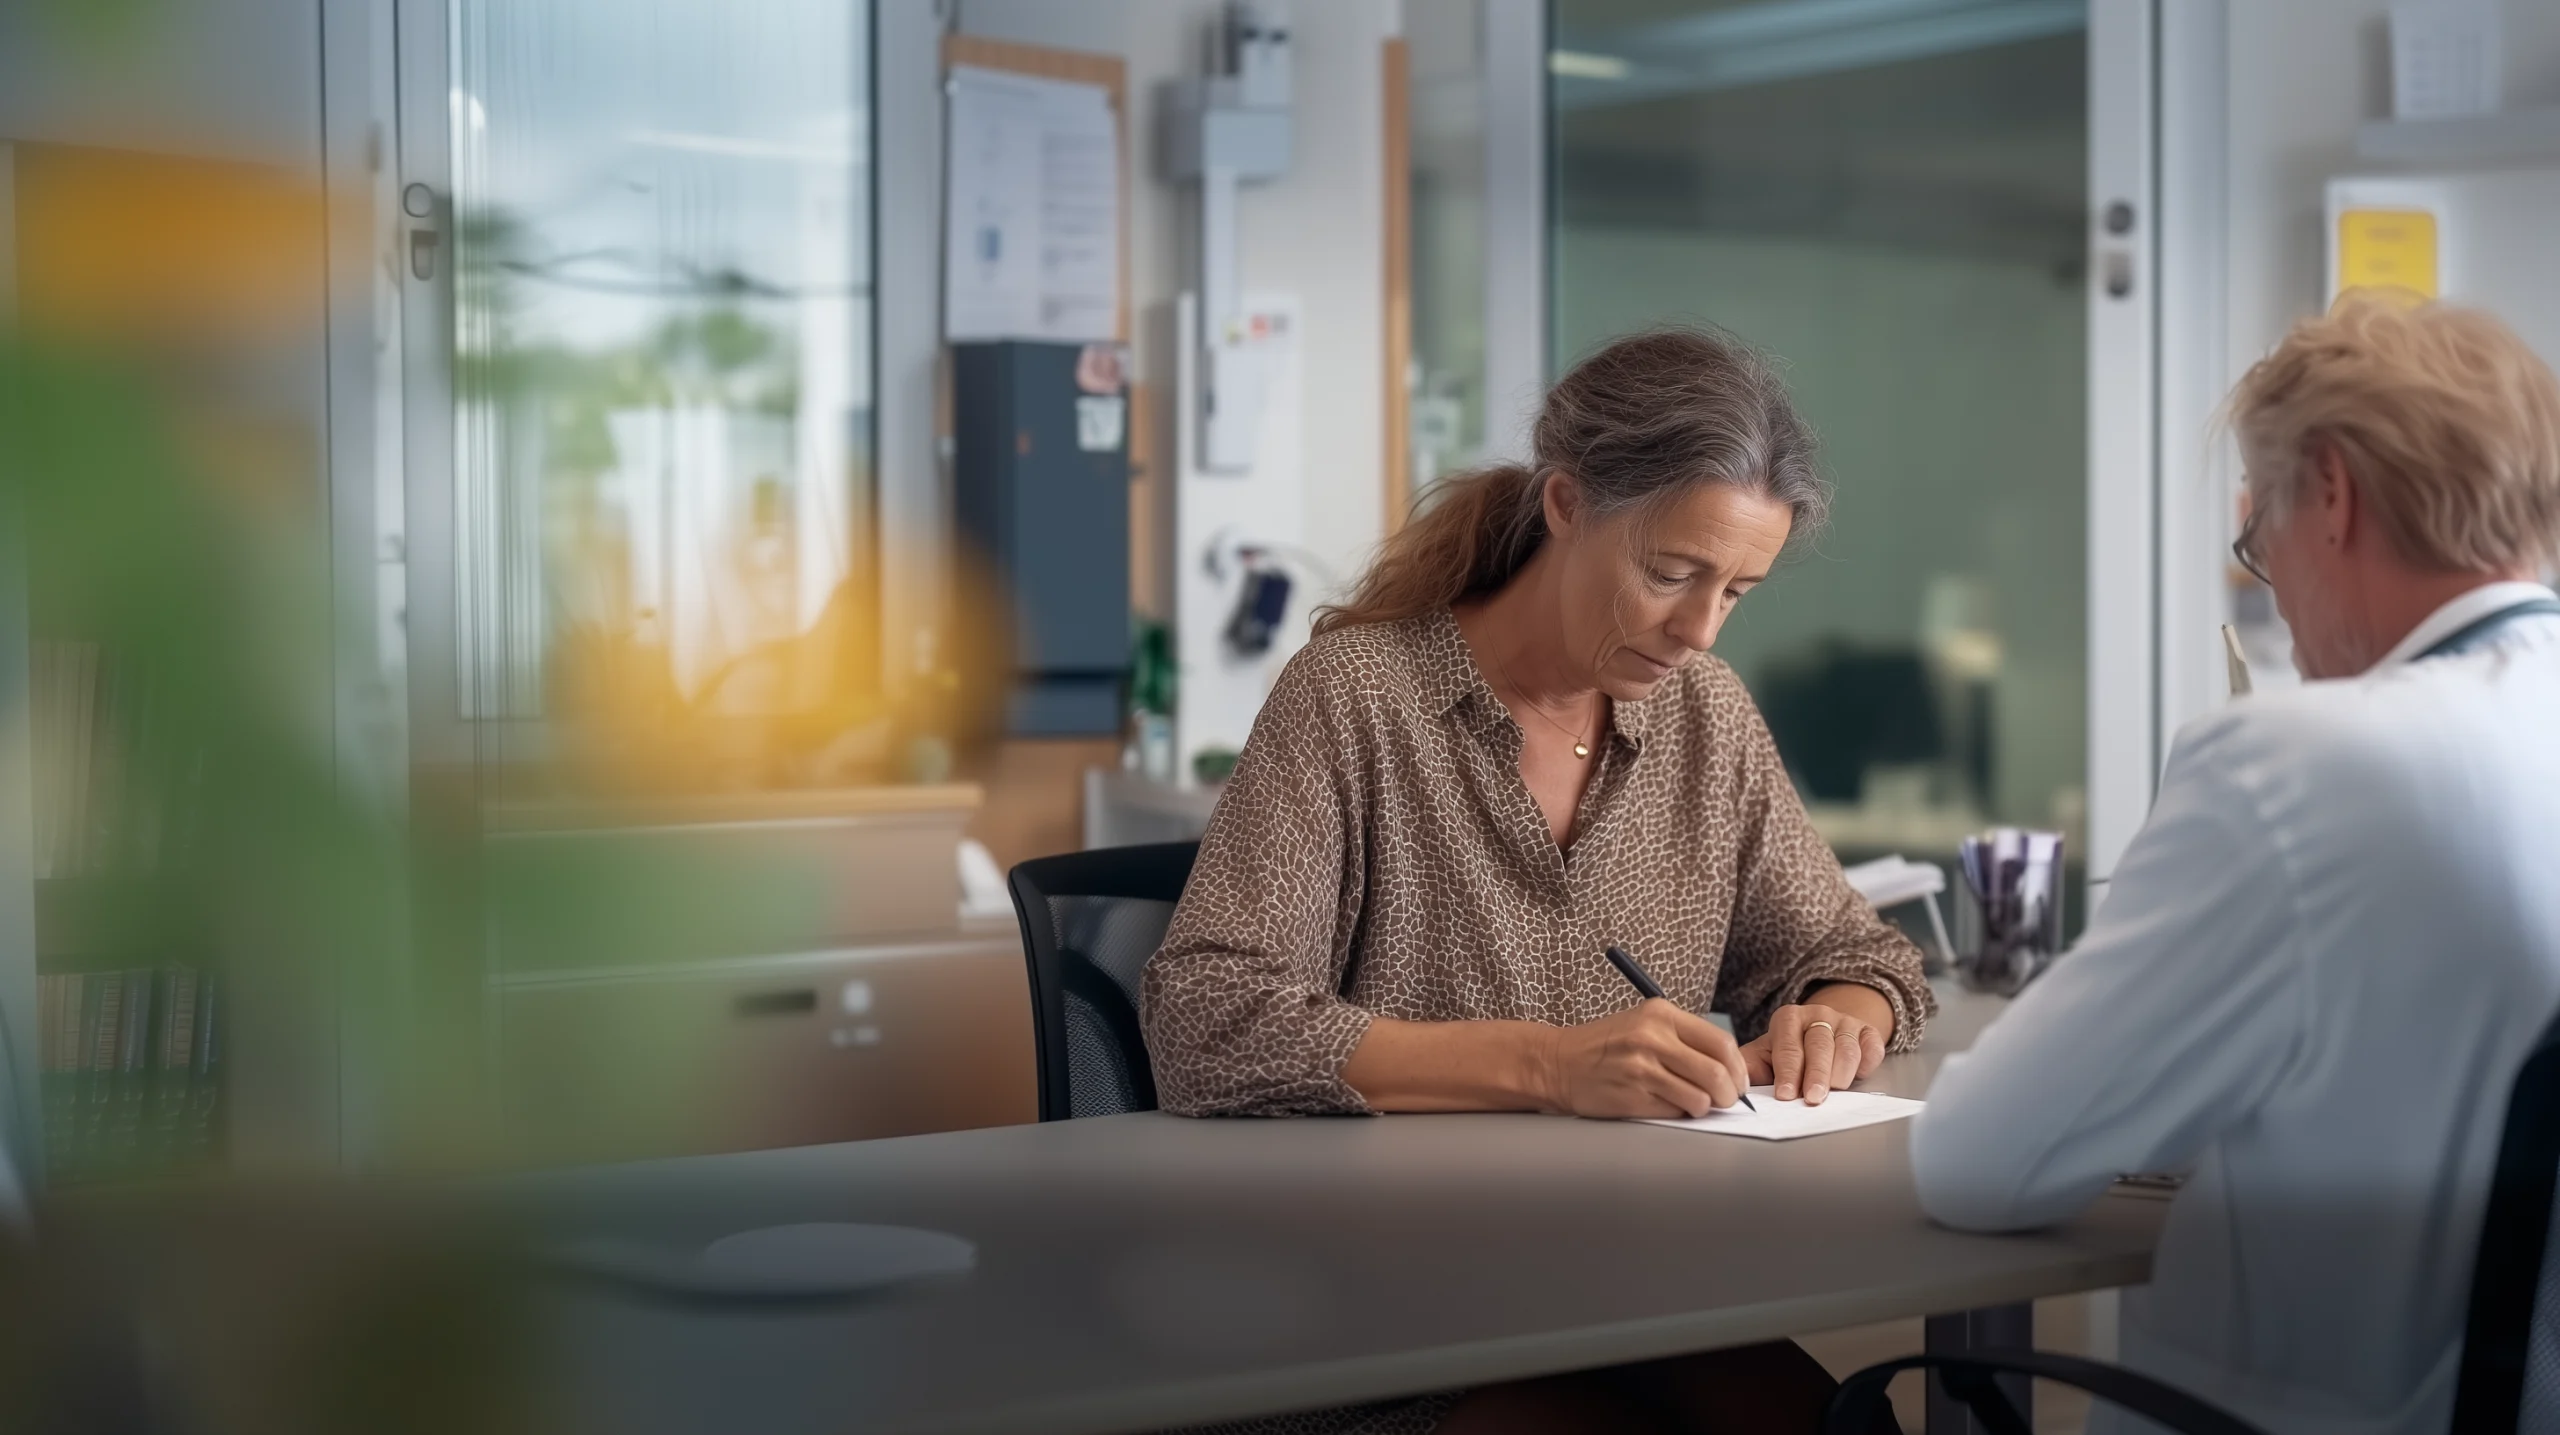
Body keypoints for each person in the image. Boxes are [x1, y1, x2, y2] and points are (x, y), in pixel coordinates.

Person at [1142, 327, 1932, 1434]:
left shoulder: (1705, 714)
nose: (1698, 629)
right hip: (1381, 1298)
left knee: (1832, 1423)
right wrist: (1553, 1063)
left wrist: (1838, 1017)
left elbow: (1853, 953)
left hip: (1635, 1276)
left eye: (1738, 592)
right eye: (1670, 574)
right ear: (1566, 504)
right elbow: (1205, 1017)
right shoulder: (1357, 698)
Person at [1912, 294, 2560, 1435]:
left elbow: (1981, 1167)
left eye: (2254, 540)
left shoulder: (2301, 762)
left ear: (2330, 491)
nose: (2273, 595)